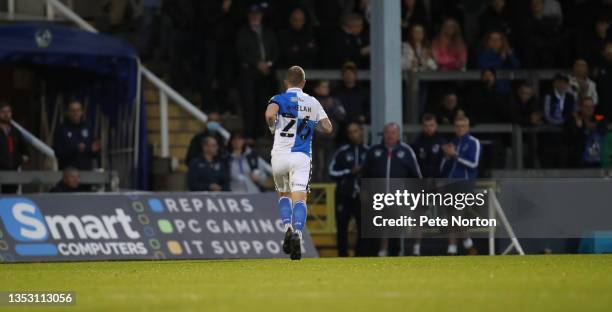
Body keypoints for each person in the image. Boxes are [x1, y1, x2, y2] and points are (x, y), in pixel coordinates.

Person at [265, 66, 333, 260]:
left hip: (279, 156)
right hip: (301, 156)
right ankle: (297, 234)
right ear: (303, 83)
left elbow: (270, 115)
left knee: (283, 194)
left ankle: (286, 227)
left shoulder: (278, 98)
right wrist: (311, 125)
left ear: (286, 82)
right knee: (300, 198)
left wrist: (272, 126)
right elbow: (328, 127)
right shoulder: (313, 102)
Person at [362, 123, 422, 257]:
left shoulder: (406, 151)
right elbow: (365, 174)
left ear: (398, 134)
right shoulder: (374, 151)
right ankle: (382, 251)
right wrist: (365, 192)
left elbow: (416, 174)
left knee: (399, 224)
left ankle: (405, 250)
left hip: (400, 196)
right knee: (382, 224)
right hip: (378, 196)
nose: (390, 135)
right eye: (387, 132)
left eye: (393, 133)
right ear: (383, 134)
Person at [236, 2, 279, 139]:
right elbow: (241, 52)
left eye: (258, 14)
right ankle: (249, 135)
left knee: (264, 103)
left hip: (266, 74)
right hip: (249, 74)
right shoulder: (243, 32)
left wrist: (269, 64)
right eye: (253, 14)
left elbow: (275, 51)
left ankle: (261, 134)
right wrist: (257, 64)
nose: (255, 17)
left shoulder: (268, 32)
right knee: (249, 104)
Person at [439, 116, 480, 255]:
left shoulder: (474, 142)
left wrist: (455, 155)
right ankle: (458, 247)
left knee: (456, 215)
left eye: (463, 126)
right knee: (450, 215)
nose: (460, 128)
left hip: (465, 183)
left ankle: (462, 246)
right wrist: (446, 156)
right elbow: (444, 167)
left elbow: (473, 164)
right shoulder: (453, 142)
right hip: (450, 183)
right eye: (457, 126)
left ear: (467, 127)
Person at [328, 122, 369, 257]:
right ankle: (343, 255)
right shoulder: (342, 152)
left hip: (362, 196)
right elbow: (332, 172)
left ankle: (361, 255)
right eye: (350, 132)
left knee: (363, 226)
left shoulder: (369, 151)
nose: (353, 135)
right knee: (342, 226)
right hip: (343, 195)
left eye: (355, 131)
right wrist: (349, 171)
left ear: (361, 131)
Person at [410, 114, 445, 256]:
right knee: (418, 216)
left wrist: (440, 180)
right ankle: (416, 249)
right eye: (426, 126)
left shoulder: (442, 142)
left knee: (451, 212)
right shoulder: (417, 143)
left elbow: (445, 164)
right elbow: (413, 164)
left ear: (435, 125)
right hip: (422, 182)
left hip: (439, 182)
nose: (429, 128)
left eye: (431, 125)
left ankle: (454, 247)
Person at [312, 80, 346, 181]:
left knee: (328, 165)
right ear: (316, 89)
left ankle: (328, 192)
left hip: (331, 139)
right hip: (315, 140)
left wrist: (332, 108)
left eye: (327, 87)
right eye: (323, 86)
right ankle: (317, 192)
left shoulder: (334, 101)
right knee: (317, 166)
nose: (326, 89)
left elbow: (342, 116)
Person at [53, 100, 100, 170]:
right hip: (68, 173)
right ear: (67, 112)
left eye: (78, 110)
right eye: (73, 110)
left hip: (86, 172)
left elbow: (94, 152)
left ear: (82, 112)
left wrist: (94, 150)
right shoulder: (62, 129)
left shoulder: (87, 128)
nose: (76, 113)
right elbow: (58, 152)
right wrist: (76, 148)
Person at [563, 97, 607, 168]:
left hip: (597, 159)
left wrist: (593, 126)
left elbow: (604, 123)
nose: (589, 109)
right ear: (580, 107)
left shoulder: (598, 117)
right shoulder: (573, 119)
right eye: (586, 106)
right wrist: (579, 128)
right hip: (580, 160)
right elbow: (568, 139)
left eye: (591, 106)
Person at [0, 102, 29, 194]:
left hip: (13, 170)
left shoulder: (15, 131)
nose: (6, 114)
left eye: (8, 112)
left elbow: (25, 151)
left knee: (11, 197)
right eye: (3, 112)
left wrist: (21, 159)